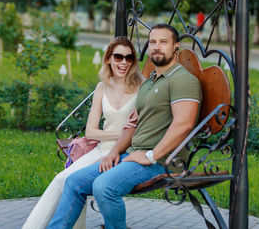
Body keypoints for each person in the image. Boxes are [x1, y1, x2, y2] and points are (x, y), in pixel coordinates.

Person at [47, 23, 202, 229]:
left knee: (104, 187)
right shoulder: (150, 82)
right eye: (153, 41)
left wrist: (150, 156)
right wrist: (115, 151)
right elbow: (132, 124)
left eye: (163, 42)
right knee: (74, 182)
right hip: (133, 155)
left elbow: (184, 124)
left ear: (176, 47)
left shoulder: (183, 80)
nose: (156, 46)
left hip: (162, 160)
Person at [22, 36, 143, 229]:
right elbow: (91, 131)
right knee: (62, 179)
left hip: (124, 153)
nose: (123, 63)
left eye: (129, 58)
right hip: (102, 150)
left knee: (71, 182)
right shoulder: (102, 87)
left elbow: (141, 130)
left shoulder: (141, 87)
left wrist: (123, 137)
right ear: (109, 59)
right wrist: (120, 133)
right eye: (118, 57)